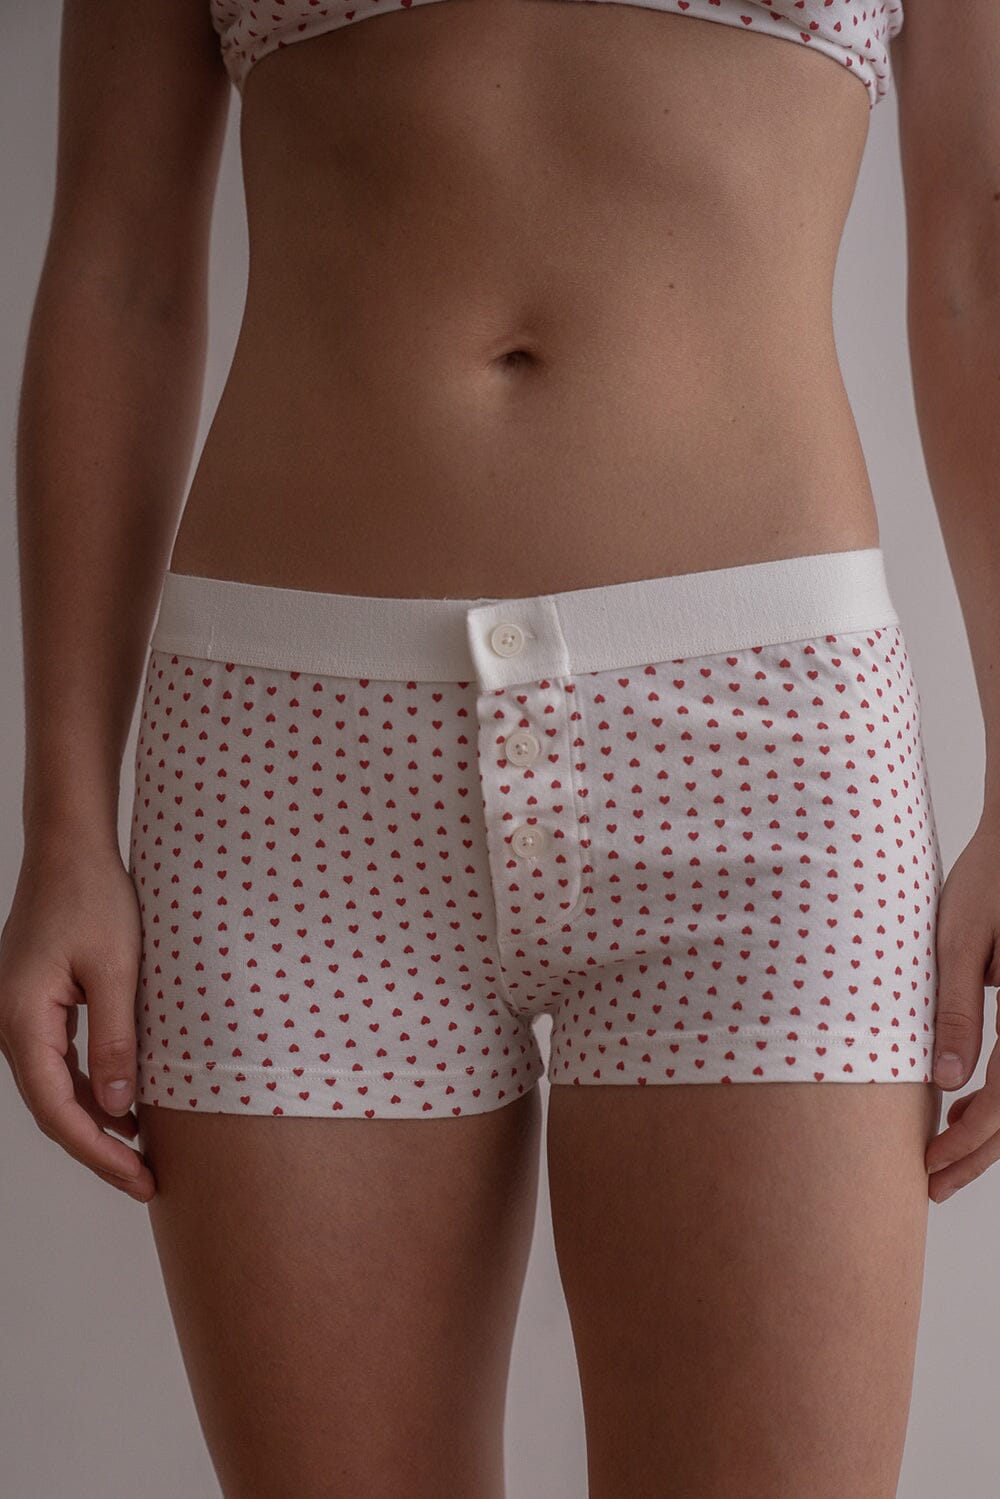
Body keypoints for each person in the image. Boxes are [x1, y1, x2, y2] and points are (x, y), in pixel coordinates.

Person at [1, 0, 996, 1494]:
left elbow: (980, 265)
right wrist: (66, 819)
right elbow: (118, 271)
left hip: (765, 760)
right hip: (286, 771)